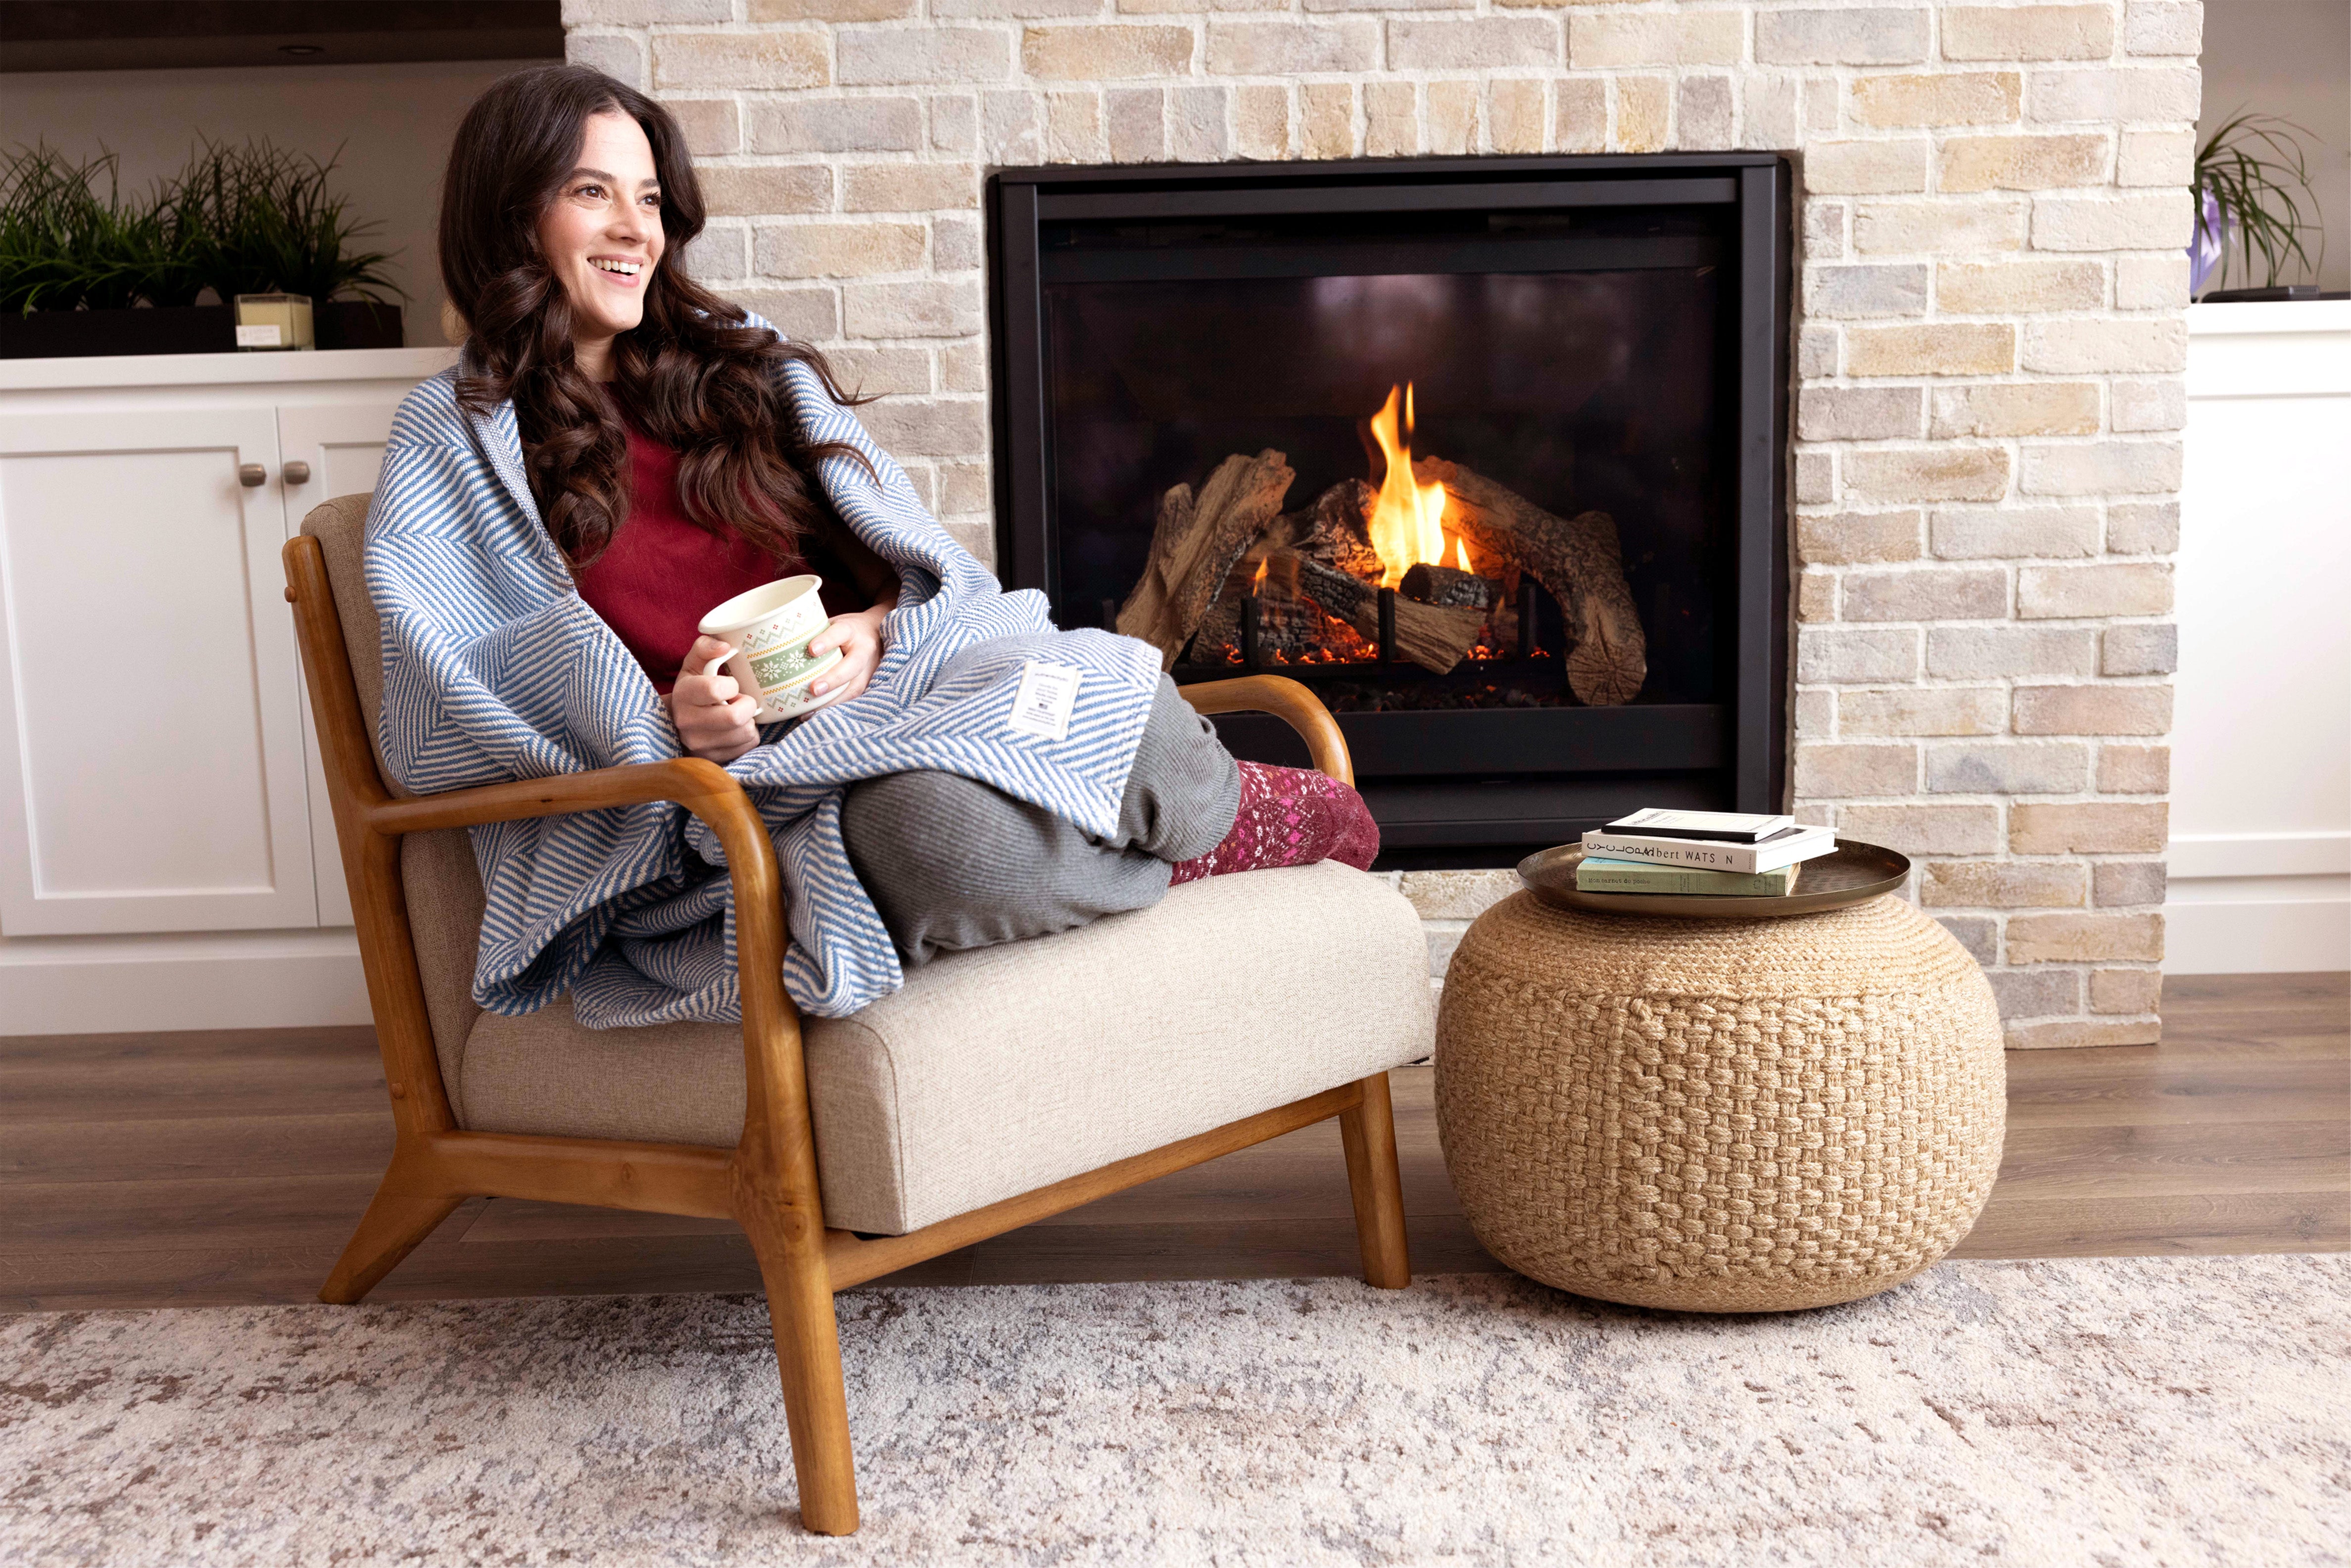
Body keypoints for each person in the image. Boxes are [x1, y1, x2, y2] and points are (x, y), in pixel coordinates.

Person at [368, 62, 1374, 1024]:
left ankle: (1222, 811)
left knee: (1111, 686)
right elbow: (432, 723)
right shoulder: (451, 436)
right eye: (594, 192)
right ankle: (1204, 840)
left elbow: (924, 570)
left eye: (651, 198)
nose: (638, 229)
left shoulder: (735, 369)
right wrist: (673, 727)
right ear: (512, 213)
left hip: (902, 697)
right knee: (939, 840)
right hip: (746, 807)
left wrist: (880, 630)